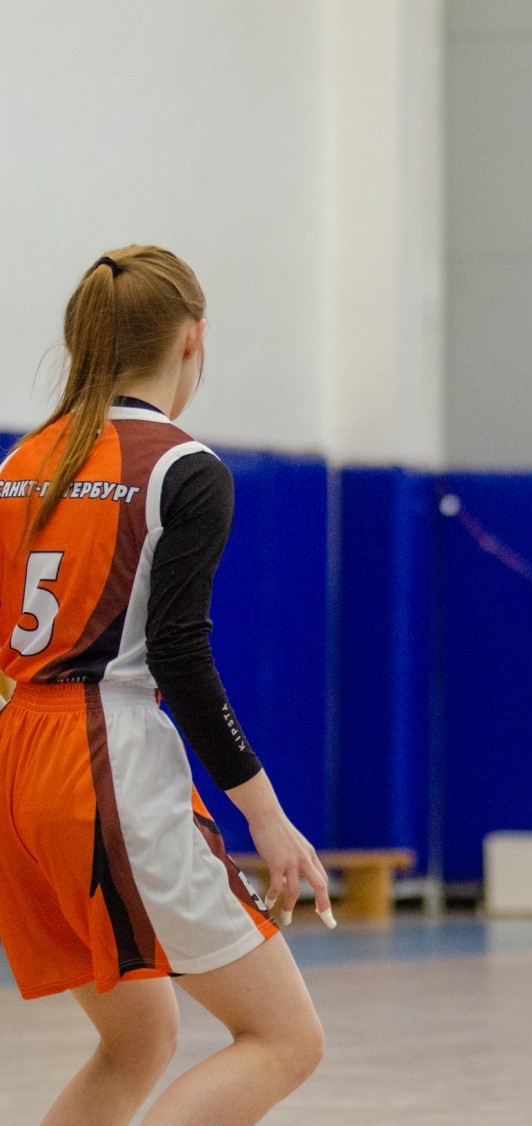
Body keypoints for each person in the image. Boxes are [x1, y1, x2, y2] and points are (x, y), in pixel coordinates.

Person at [0, 247, 331, 1126]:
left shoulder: (22, 461)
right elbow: (181, 658)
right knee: (285, 1038)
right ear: (193, 339)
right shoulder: (183, 467)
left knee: (138, 1039)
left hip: (17, 759)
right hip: (99, 754)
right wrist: (267, 817)